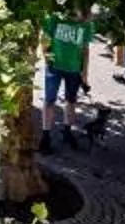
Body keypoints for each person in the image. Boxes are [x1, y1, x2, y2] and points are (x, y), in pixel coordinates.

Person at [41, 14, 97, 149]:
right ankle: (45, 136)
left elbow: (85, 50)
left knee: (71, 101)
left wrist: (84, 73)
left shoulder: (86, 24)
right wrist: (47, 58)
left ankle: (67, 131)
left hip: (74, 69)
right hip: (54, 67)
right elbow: (45, 39)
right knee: (49, 100)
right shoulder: (55, 17)